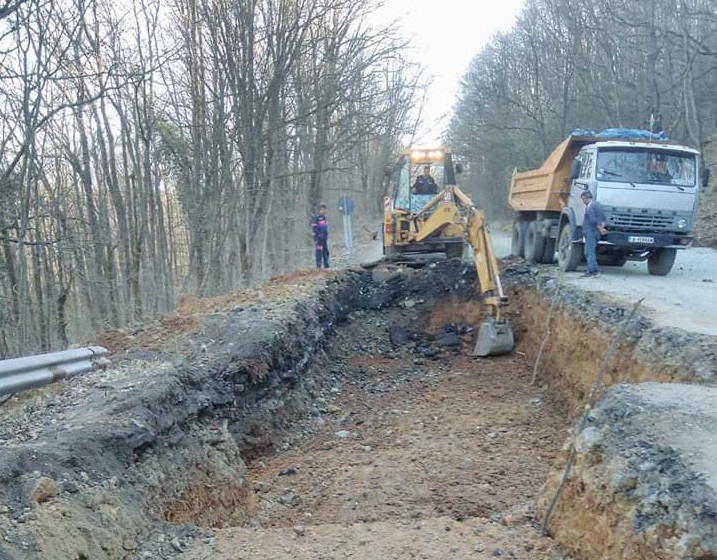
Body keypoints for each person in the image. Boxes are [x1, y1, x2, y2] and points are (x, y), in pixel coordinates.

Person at [581, 190, 607, 278]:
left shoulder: (590, 207)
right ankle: (593, 269)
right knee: (588, 251)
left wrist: (600, 228)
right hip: (594, 232)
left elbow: (592, 220)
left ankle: (592, 270)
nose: (583, 201)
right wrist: (602, 228)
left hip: (591, 232)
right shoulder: (598, 205)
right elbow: (603, 219)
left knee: (589, 252)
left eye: (583, 199)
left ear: (585, 198)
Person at [311, 203, 330, 268]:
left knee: (326, 251)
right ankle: (318, 266)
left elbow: (325, 228)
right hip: (318, 238)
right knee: (319, 251)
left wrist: (326, 236)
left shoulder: (324, 217)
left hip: (324, 238)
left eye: (324, 210)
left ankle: (326, 265)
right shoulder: (316, 217)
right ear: (319, 210)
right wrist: (318, 236)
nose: (323, 211)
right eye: (322, 210)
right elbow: (314, 228)